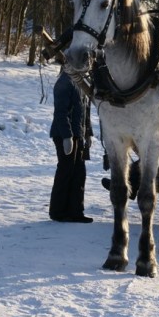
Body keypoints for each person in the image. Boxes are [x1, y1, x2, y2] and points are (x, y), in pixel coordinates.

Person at [49, 69, 93, 223]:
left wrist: (88, 134)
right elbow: (60, 113)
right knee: (66, 170)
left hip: (78, 134)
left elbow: (84, 112)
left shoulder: (80, 83)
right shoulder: (64, 83)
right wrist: (67, 136)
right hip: (64, 134)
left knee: (79, 172)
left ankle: (75, 211)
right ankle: (58, 211)